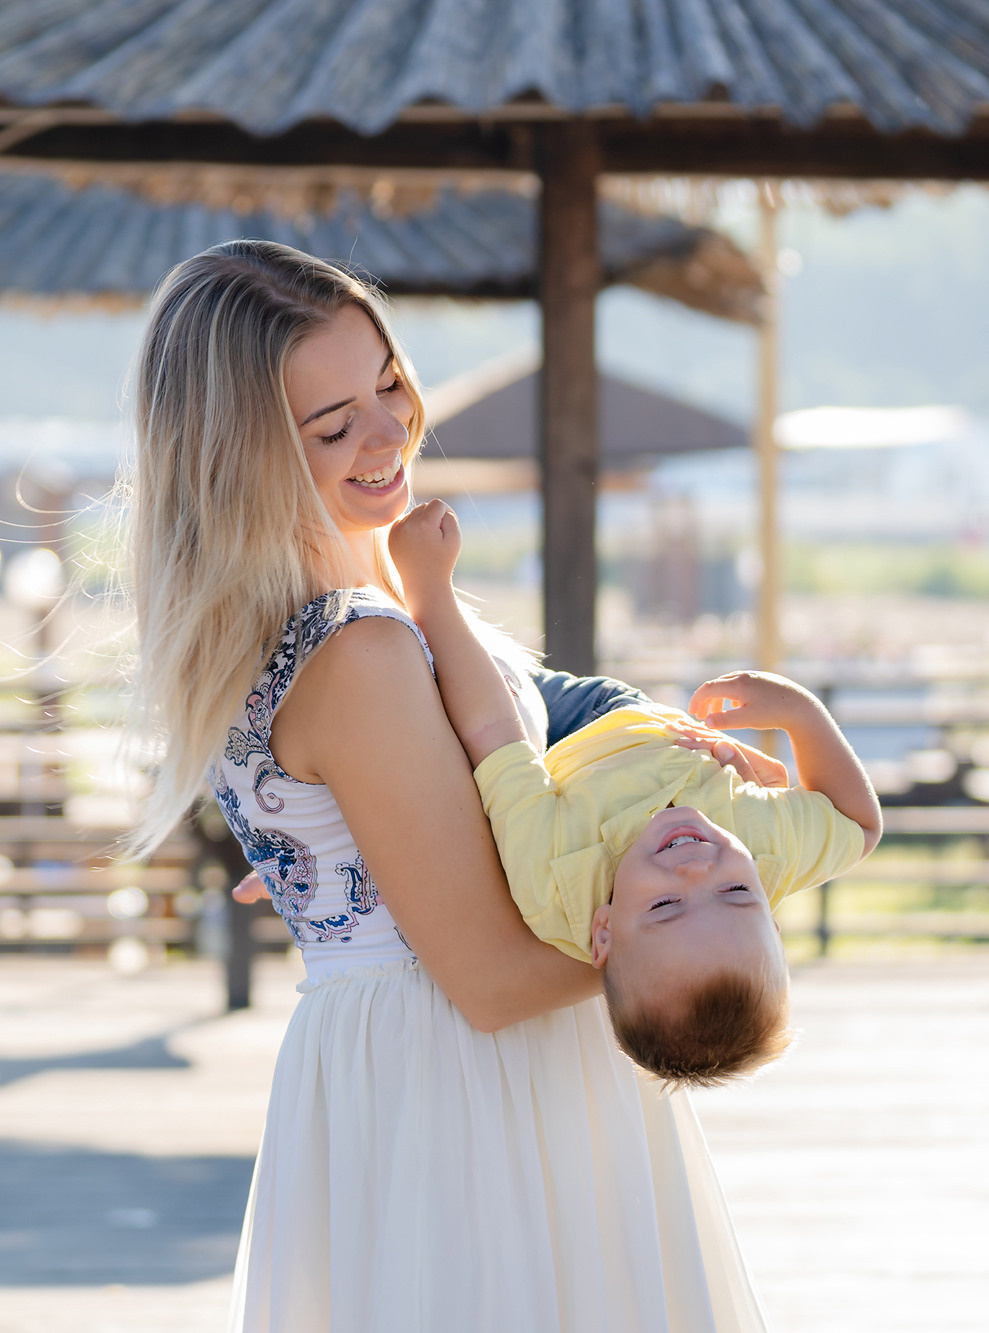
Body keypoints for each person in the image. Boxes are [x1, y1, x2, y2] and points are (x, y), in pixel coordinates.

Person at [130, 237, 775, 1333]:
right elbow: (484, 977)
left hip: (412, 1079)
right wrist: (702, 912)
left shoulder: (302, 613)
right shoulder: (356, 646)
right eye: (331, 425)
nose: (388, 435)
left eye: (388, 384)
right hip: (473, 1084)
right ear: (237, 456)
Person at [387, 499, 882, 1086]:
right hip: (618, 718)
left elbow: (494, 735)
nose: (697, 869)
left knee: (415, 672)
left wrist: (432, 592)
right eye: (735, 892)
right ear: (772, 916)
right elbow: (861, 826)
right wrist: (801, 715)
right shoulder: (768, 852)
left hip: (537, 752)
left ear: (603, 932)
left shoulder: (553, 879)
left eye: (665, 906)